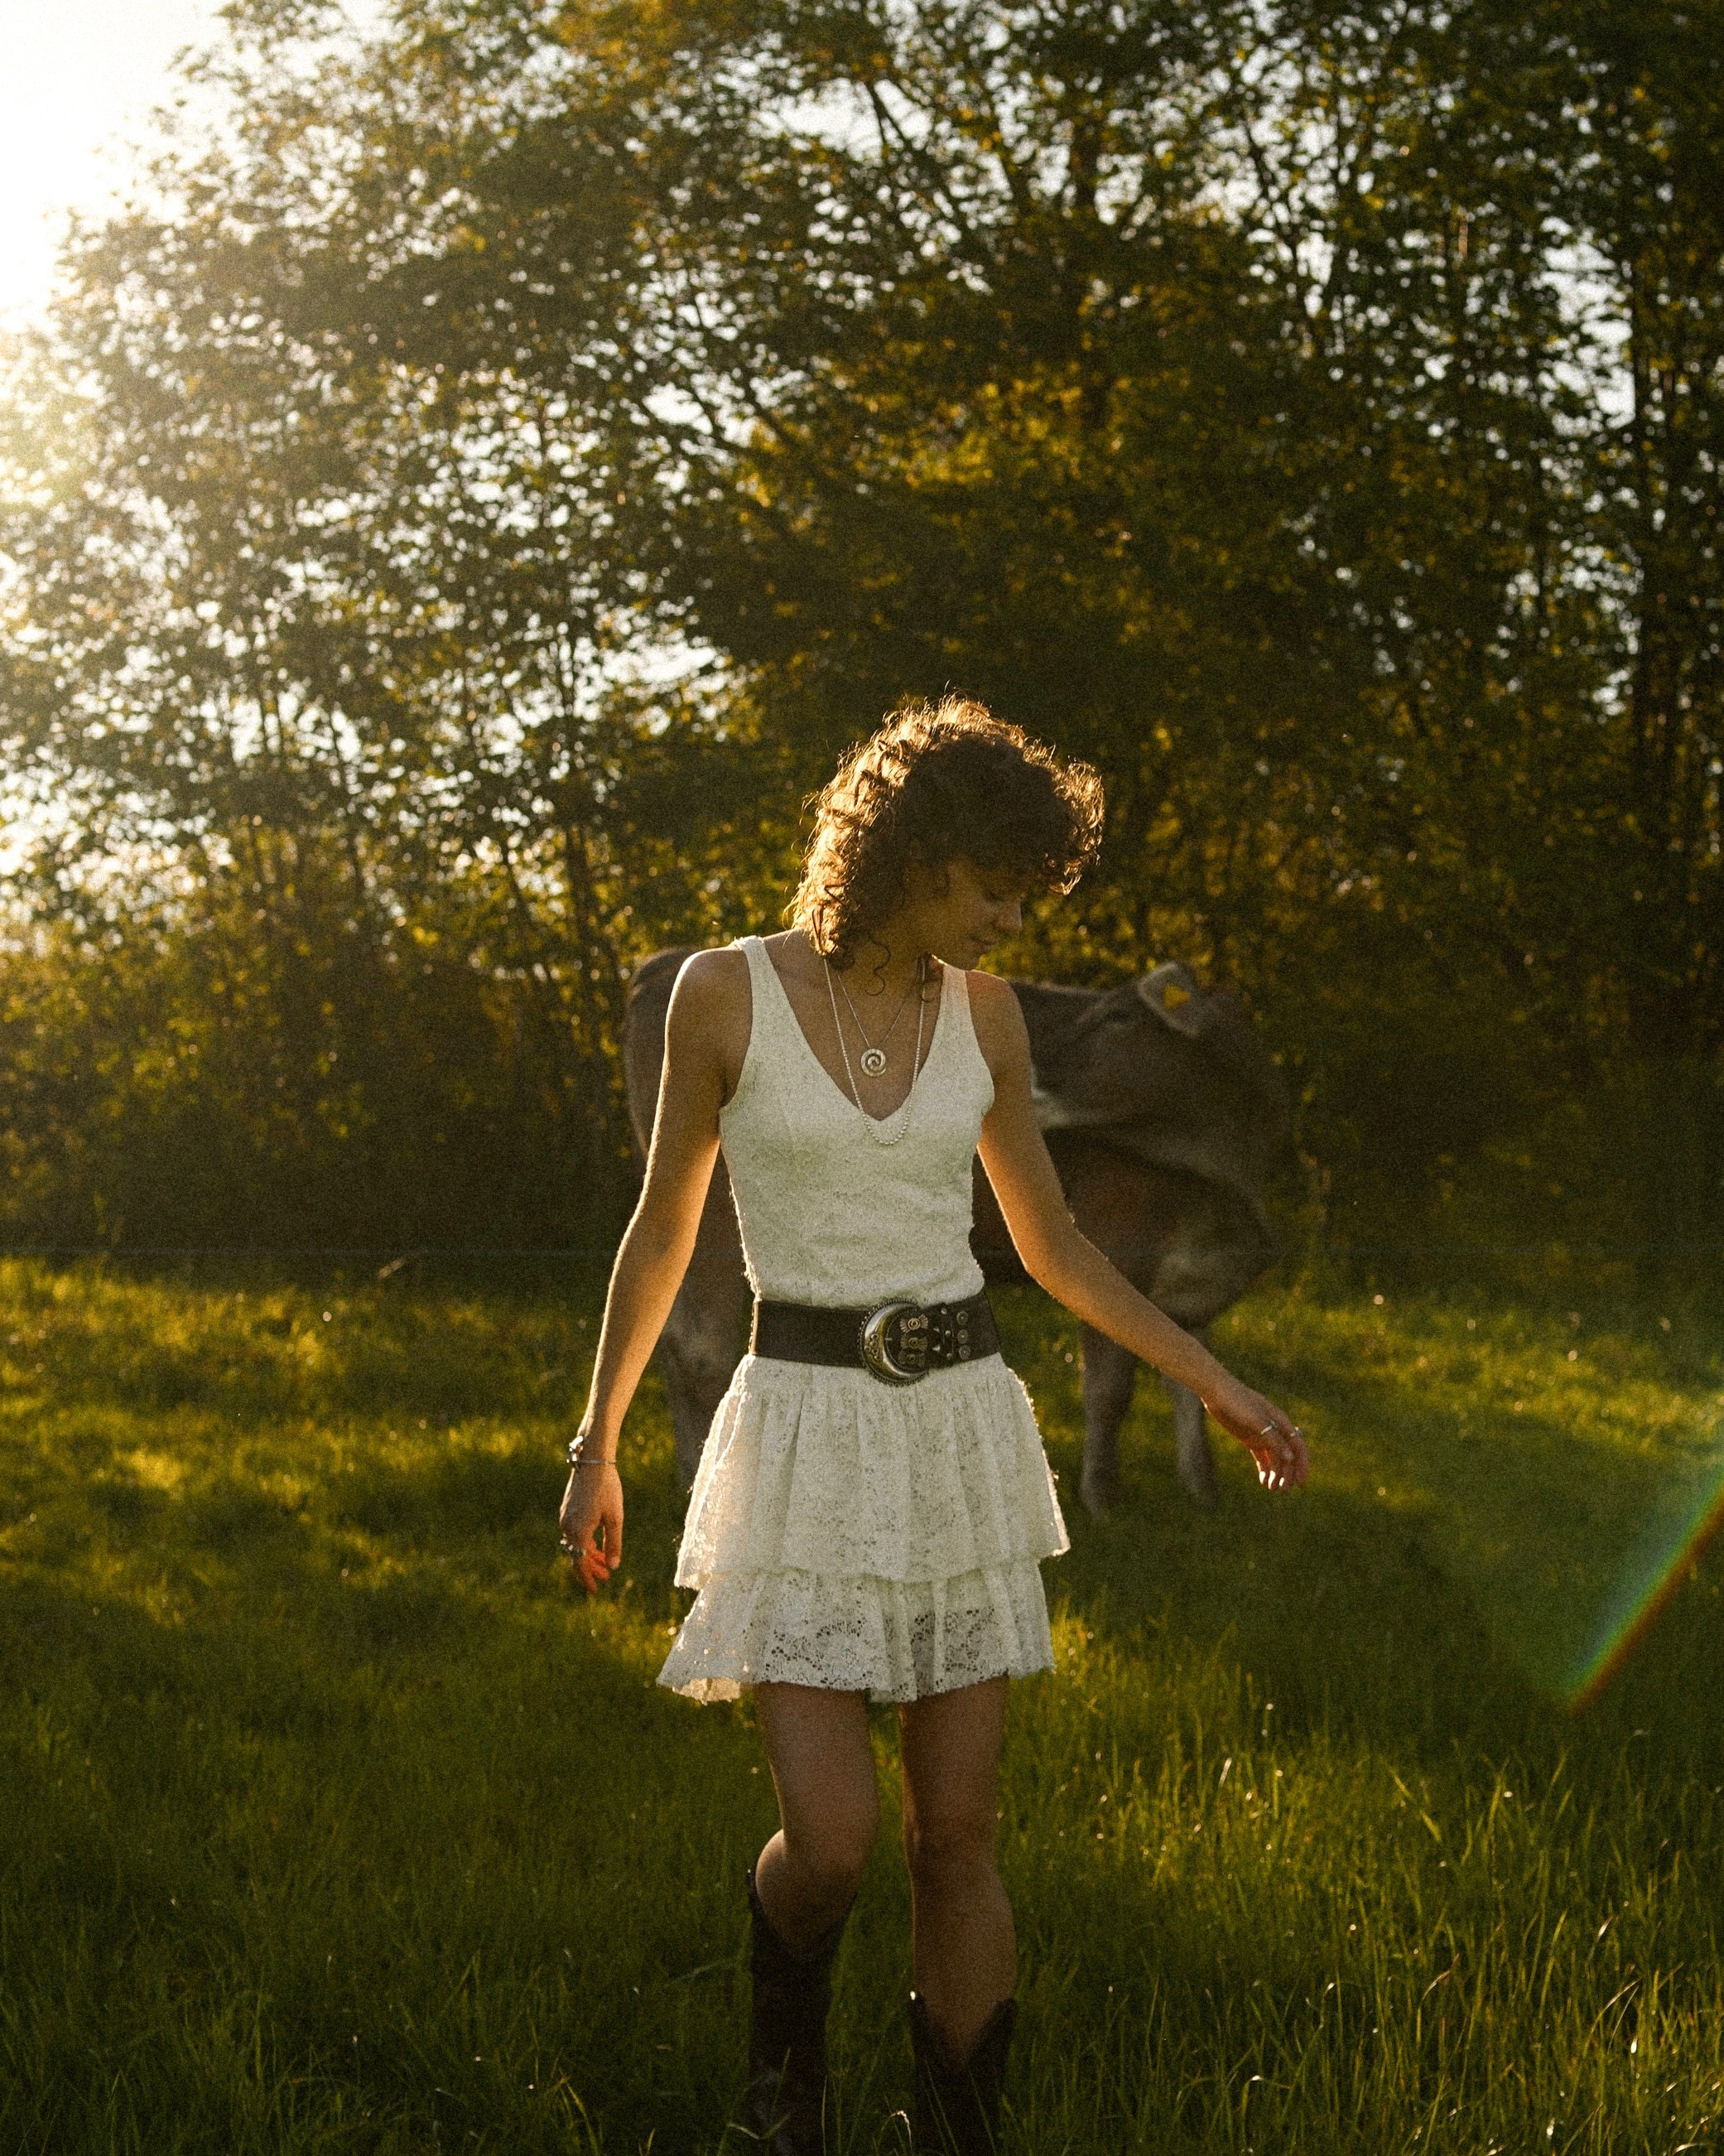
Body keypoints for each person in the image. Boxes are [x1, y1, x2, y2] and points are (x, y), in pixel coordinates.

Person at [558, 700, 1308, 2154]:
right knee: (832, 1844)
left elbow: (1055, 1248)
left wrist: (1212, 1377)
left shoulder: (986, 1014)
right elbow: (660, 1235)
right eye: (996, 885)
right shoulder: (725, 993)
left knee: (954, 1837)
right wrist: (597, 1445)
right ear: (909, 851)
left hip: (955, 1436)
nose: (1014, 918)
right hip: (800, 1437)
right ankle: (784, 2075)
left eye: (1028, 891)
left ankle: (960, 2136)